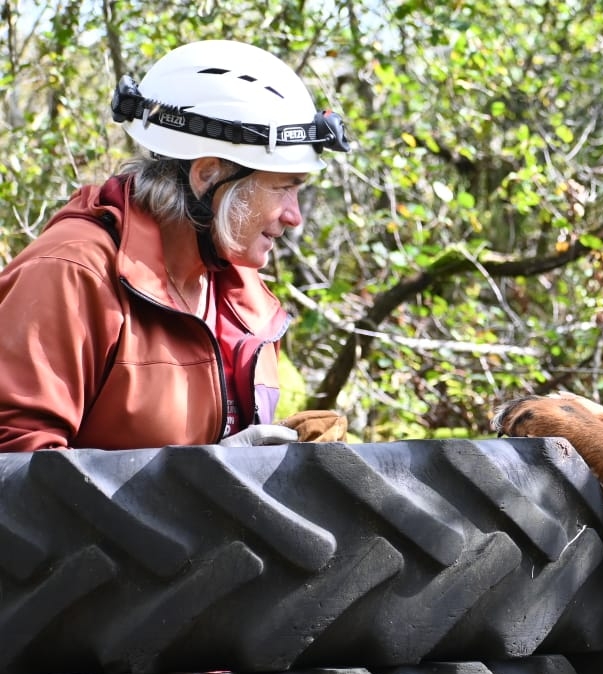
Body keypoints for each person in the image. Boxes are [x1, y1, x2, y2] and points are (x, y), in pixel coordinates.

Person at [0, 39, 351, 452]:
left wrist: (277, 463)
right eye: (283, 188)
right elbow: (17, 469)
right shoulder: (72, 275)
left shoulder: (241, 294)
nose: (295, 216)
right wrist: (207, 471)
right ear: (208, 175)